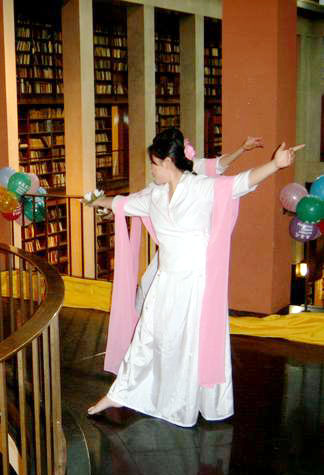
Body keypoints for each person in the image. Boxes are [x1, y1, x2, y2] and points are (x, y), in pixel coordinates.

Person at [86, 129, 303, 427]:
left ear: (168, 162)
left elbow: (242, 182)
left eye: (154, 163)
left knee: (190, 343)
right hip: (165, 281)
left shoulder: (202, 188)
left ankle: (186, 402)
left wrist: (275, 164)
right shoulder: (154, 195)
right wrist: (96, 201)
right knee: (147, 337)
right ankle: (120, 393)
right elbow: (121, 203)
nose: (151, 169)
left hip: (196, 283)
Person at [136, 131, 264, 313]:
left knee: (183, 300)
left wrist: (242, 149)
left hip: (190, 246)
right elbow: (140, 199)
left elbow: (220, 166)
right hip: (170, 249)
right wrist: (112, 204)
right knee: (148, 286)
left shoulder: (191, 171)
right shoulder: (160, 182)